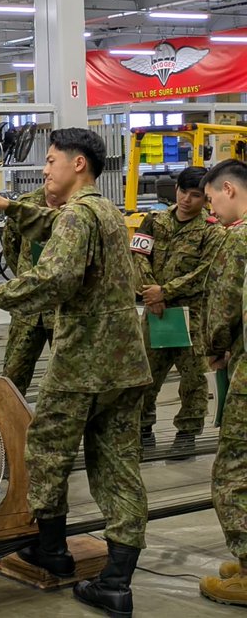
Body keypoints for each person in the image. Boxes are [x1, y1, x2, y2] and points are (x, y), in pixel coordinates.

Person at [0, 128, 151, 617]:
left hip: (82, 365)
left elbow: (55, 279)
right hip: (126, 365)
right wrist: (11, 208)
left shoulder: (75, 216)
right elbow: (55, 227)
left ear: (79, 165)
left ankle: (52, 551)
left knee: (47, 450)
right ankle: (116, 582)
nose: (45, 168)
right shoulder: (108, 210)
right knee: (118, 467)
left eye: (51, 160)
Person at [133, 165, 221, 458]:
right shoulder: (153, 221)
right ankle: (144, 429)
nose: (186, 200)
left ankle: (187, 435)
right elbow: (137, 257)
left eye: (196, 195)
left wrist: (165, 291)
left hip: (191, 317)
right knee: (146, 376)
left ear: (205, 198)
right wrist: (152, 291)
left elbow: (205, 271)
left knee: (193, 379)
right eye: (183, 192)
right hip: (155, 313)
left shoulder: (211, 231)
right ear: (176, 189)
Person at [196, 159, 247, 606]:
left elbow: (225, 302)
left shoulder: (239, 239)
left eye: (212, 199)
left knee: (233, 473)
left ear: (228, 189)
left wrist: (215, 347)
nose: (211, 209)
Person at [0, 185, 63, 396]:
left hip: (62, 308)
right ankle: (8, 426)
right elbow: (10, 246)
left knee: (66, 377)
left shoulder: (78, 208)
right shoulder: (26, 204)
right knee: (13, 376)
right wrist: (26, 279)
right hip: (28, 309)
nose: (49, 174)